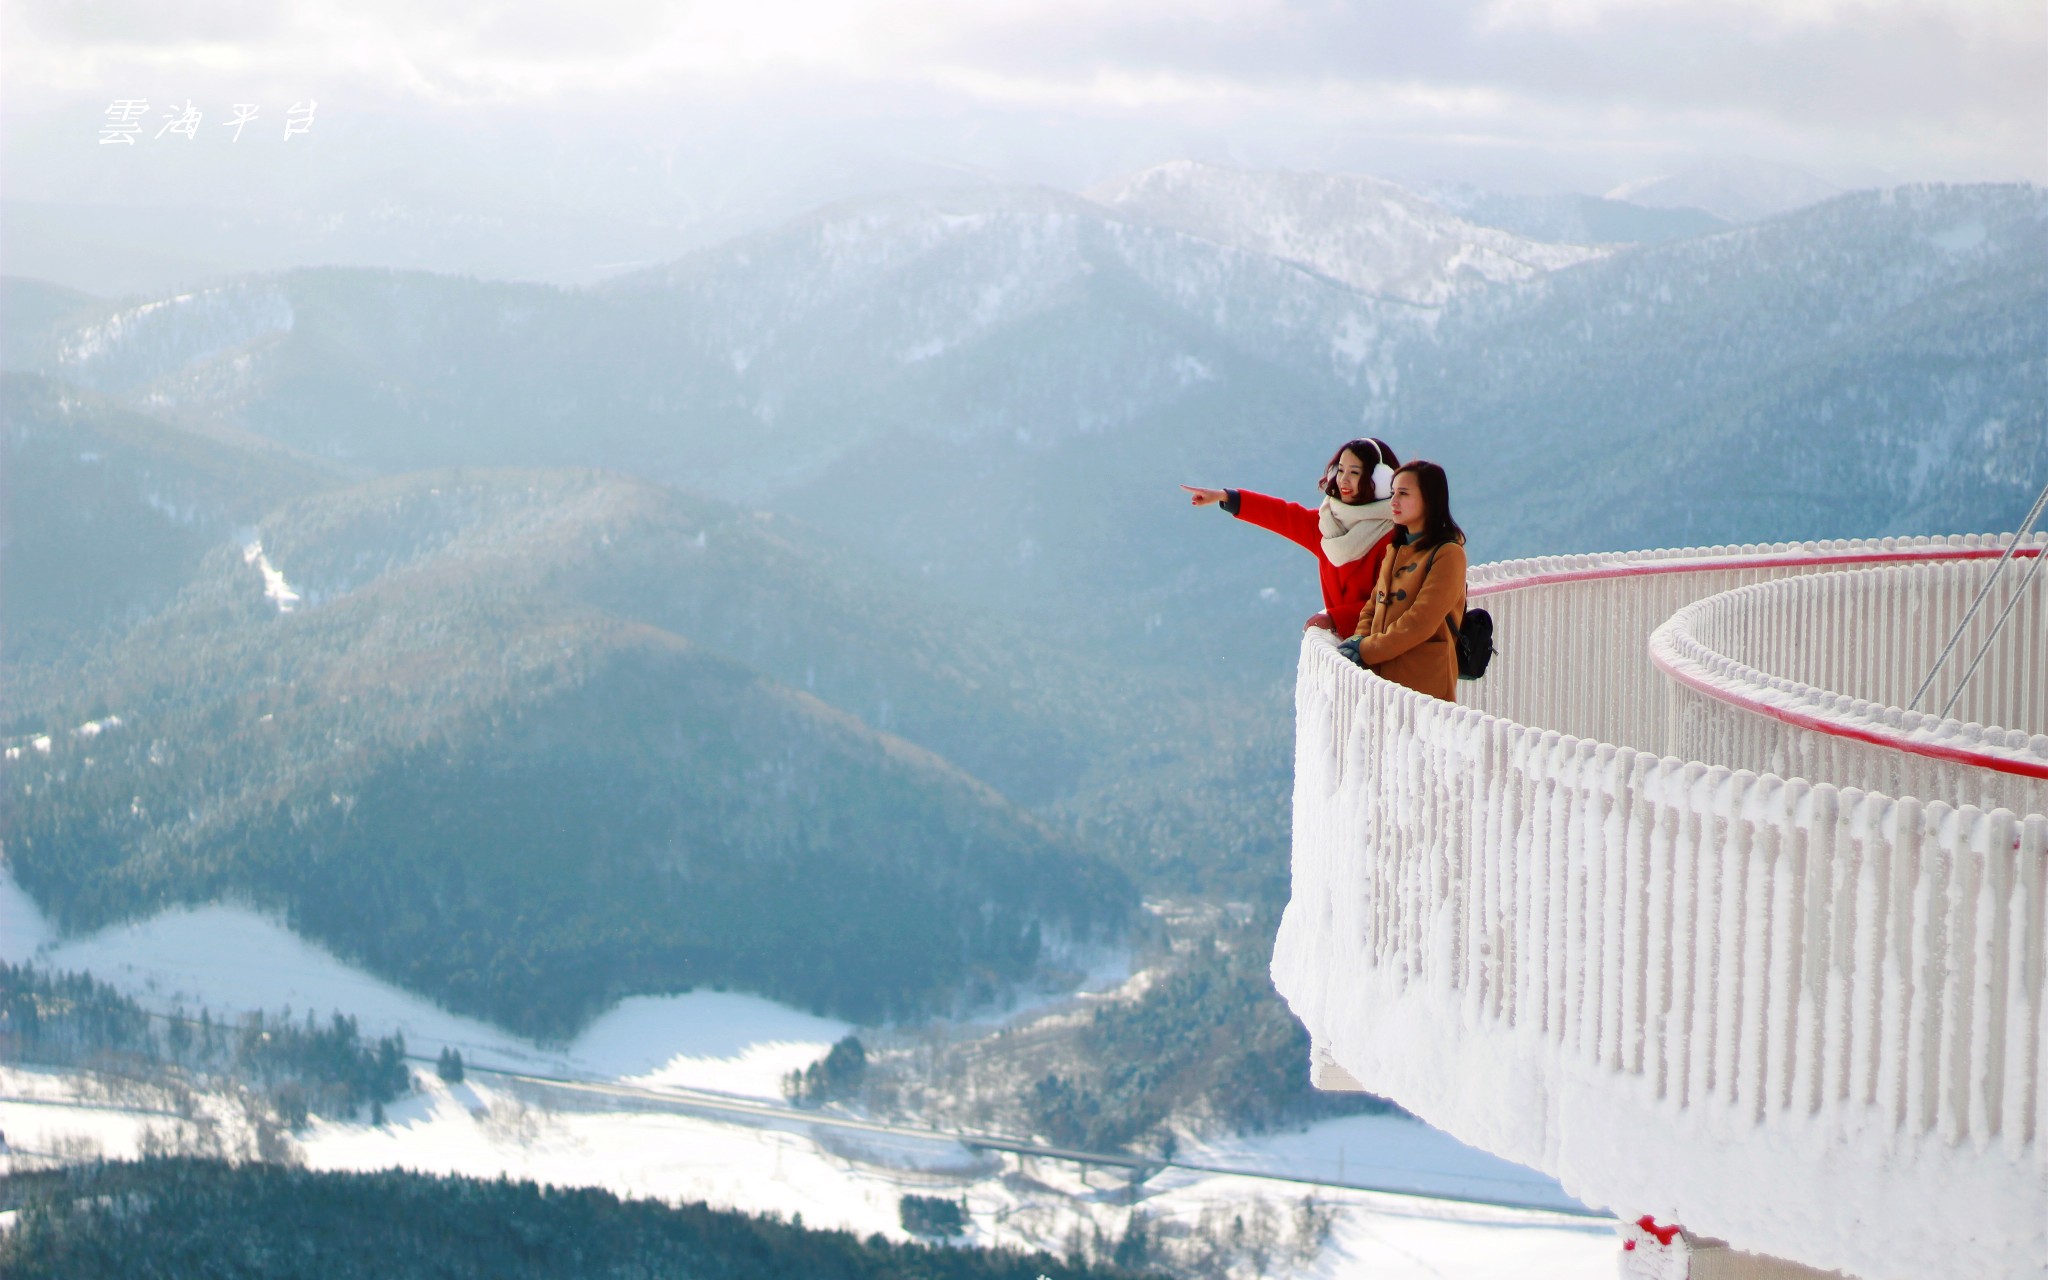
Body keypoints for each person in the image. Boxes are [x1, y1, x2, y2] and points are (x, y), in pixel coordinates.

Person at [1181, 438, 1400, 636]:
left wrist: (1336, 619)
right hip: (1349, 652)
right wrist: (1227, 497)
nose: (1343, 480)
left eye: (1354, 472)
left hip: (1384, 656)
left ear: (1380, 480)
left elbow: (1393, 603)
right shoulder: (1327, 525)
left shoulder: (1393, 536)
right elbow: (1281, 515)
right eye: (1340, 470)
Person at [1339, 460, 1467, 702]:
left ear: (1429, 499)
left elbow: (1421, 621)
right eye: (1392, 493)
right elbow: (1372, 607)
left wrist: (1366, 650)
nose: (1393, 502)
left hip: (1423, 686)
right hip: (1380, 682)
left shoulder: (1449, 554)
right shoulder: (1396, 549)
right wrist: (1358, 640)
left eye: (1403, 493)